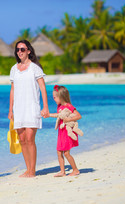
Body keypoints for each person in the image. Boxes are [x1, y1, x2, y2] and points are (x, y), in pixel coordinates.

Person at [8, 40, 49, 178]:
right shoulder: (14, 69)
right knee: (22, 139)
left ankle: (32, 170)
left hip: (32, 107)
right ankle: (28, 169)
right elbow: (12, 90)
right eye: (17, 49)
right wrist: (10, 110)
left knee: (30, 139)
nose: (19, 52)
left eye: (22, 49)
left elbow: (43, 88)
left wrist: (45, 107)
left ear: (29, 51)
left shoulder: (35, 68)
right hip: (18, 108)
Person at [49, 85, 81, 177]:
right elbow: (59, 115)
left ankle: (75, 170)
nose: (54, 99)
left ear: (61, 97)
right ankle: (62, 171)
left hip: (67, 132)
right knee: (59, 152)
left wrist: (68, 120)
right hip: (61, 132)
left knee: (66, 153)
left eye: (55, 97)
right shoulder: (59, 107)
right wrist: (49, 115)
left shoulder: (69, 106)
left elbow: (79, 116)